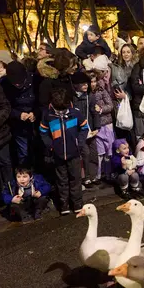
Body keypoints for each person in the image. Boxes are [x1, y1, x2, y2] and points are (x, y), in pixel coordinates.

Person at [40, 87, 88, 215]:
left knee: (75, 179)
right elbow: (43, 132)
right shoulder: (48, 115)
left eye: (63, 110)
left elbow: (84, 128)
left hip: (74, 154)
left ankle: (77, 204)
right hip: (58, 155)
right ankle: (64, 205)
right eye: (58, 110)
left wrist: (80, 143)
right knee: (62, 181)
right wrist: (51, 146)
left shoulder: (75, 113)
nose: (61, 112)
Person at [0, 61, 36, 166]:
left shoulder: (34, 80)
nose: (17, 85)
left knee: (36, 150)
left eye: (19, 82)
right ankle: (25, 173)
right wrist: (18, 115)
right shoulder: (3, 85)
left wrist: (35, 113)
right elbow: (4, 106)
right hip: (18, 125)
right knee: (23, 153)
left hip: (35, 123)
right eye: (14, 83)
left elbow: (41, 102)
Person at [70, 72, 99, 187]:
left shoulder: (90, 96)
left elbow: (94, 112)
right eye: (82, 84)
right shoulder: (73, 99)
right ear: (76, 85)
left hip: (90, 129)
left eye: (86, 83)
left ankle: (93, 176)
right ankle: (85, 177)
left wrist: (97, 127)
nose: (86, 85)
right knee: (85, 153)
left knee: (93, 152)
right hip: (79, 132)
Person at [88, 72, 114, 180]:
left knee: (109, 150)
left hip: (106, 123)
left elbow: (110, 105)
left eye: (94, 81)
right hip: (95, 126)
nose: (93, 84)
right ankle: (98, 174)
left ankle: (108, 173)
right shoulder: (87, 94)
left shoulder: (102, 91)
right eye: (91, 81)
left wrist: (101, 109)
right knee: (99, 152)